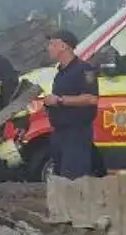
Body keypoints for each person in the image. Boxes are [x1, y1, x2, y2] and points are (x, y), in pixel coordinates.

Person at [40, 29, 99, 179]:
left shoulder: (84, 69)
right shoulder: (60, 72)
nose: (49, 48)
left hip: (76, 133)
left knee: (74, 179)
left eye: (52, 44)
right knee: (61, 177)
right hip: (59, 133)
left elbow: (91, 98)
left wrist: (60, 100)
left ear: (64, 46)